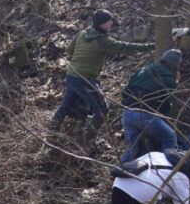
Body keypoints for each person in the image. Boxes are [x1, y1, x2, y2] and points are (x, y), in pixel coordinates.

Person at [52, 9, 154, 140]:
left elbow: (69, 50)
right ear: (102, 24)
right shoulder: (103, 41)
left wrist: (78, 62)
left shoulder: (82, 33)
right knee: (101, 110)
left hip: (71, 75)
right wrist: (152, 46)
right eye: (108, 21)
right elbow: (125, 47)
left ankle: (51, 133)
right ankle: (88, 141)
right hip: (85, 79)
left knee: (65, 106)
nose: (111, 23)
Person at [120, 49, 182, 162]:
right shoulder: (169, 80)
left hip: (127, 112)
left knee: (131, 149)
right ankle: (167, 169)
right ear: (175, 66)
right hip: (145, 115)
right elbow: (165, 106)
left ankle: (119, 173)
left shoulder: (144, 69)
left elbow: (124, 91)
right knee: (170, 137)